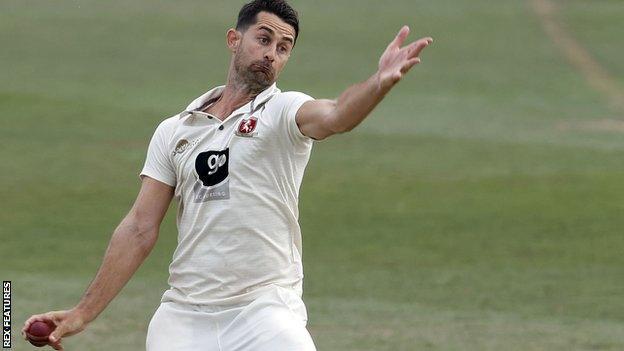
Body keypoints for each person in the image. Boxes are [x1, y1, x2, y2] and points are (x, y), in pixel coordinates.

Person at [22, 0, 432, 350]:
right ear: (235, 40)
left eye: (284, 47)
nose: (272, 53)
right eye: (264, 39)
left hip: (265, 311)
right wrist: (82, 313)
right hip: (183, 316)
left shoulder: (283, 111)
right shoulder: (175, 130)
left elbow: (337, 115)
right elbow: (139, 228)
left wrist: (378, 84)